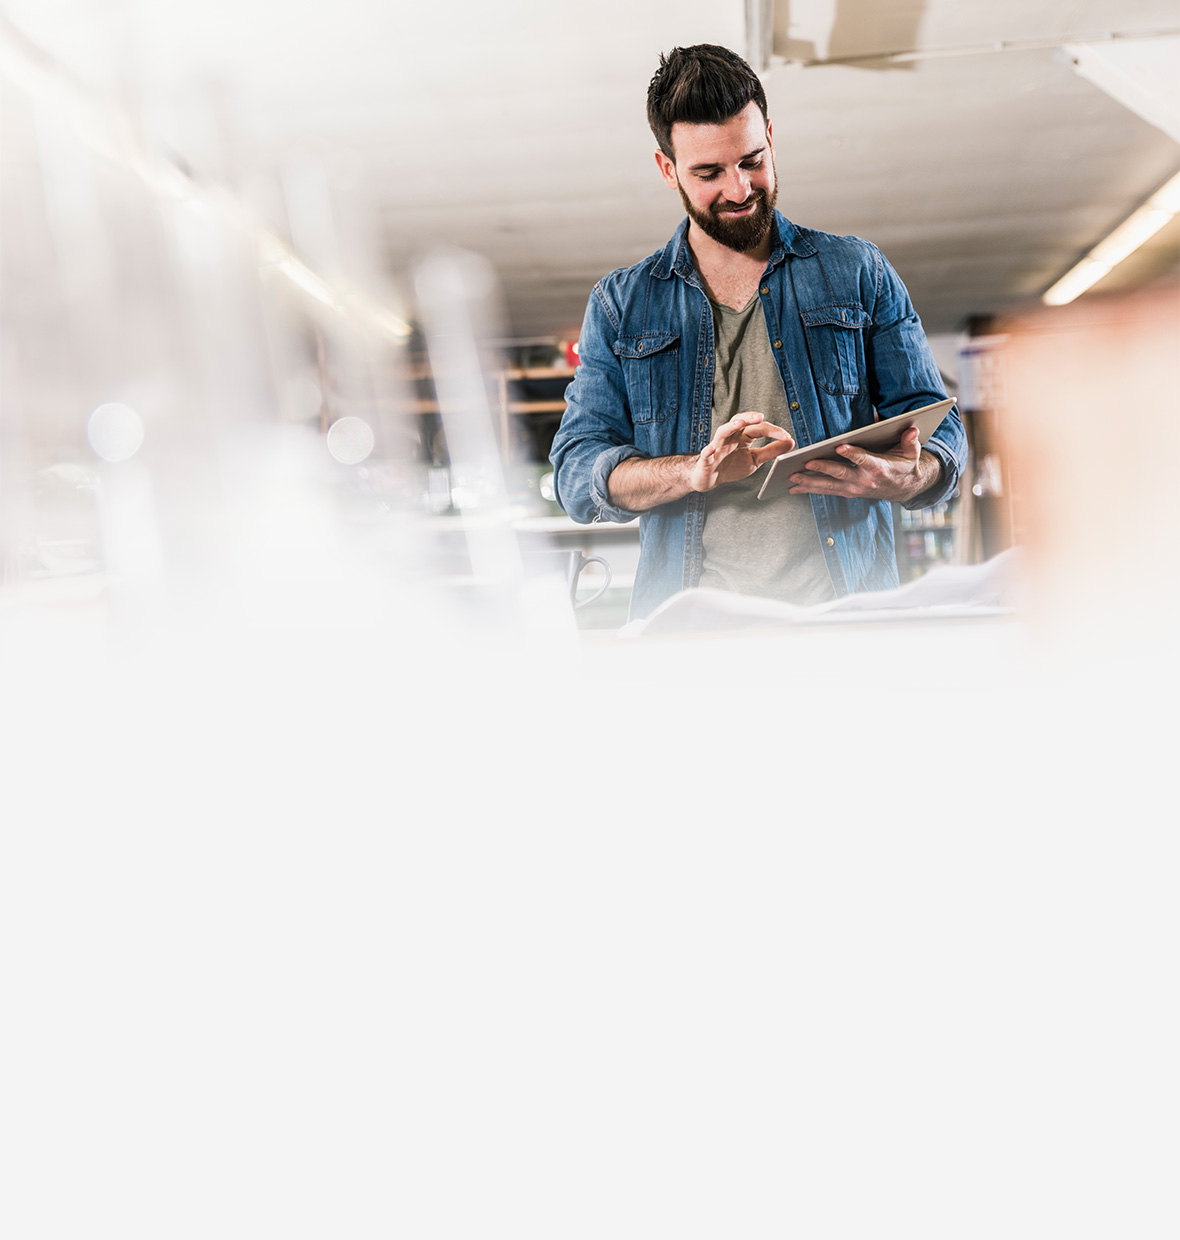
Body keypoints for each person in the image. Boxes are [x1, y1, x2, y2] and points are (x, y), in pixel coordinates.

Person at [549, 43, 967, 620]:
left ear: (771, 136)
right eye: (709, 172)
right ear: (667, 169)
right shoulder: (622, 305)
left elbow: (939, 422)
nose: (741, 190)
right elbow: (577, 471)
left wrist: (910, 476)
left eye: (752, 160)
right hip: (693, 637)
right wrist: (692, 471)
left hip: (847, 624)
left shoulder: (857, 271)